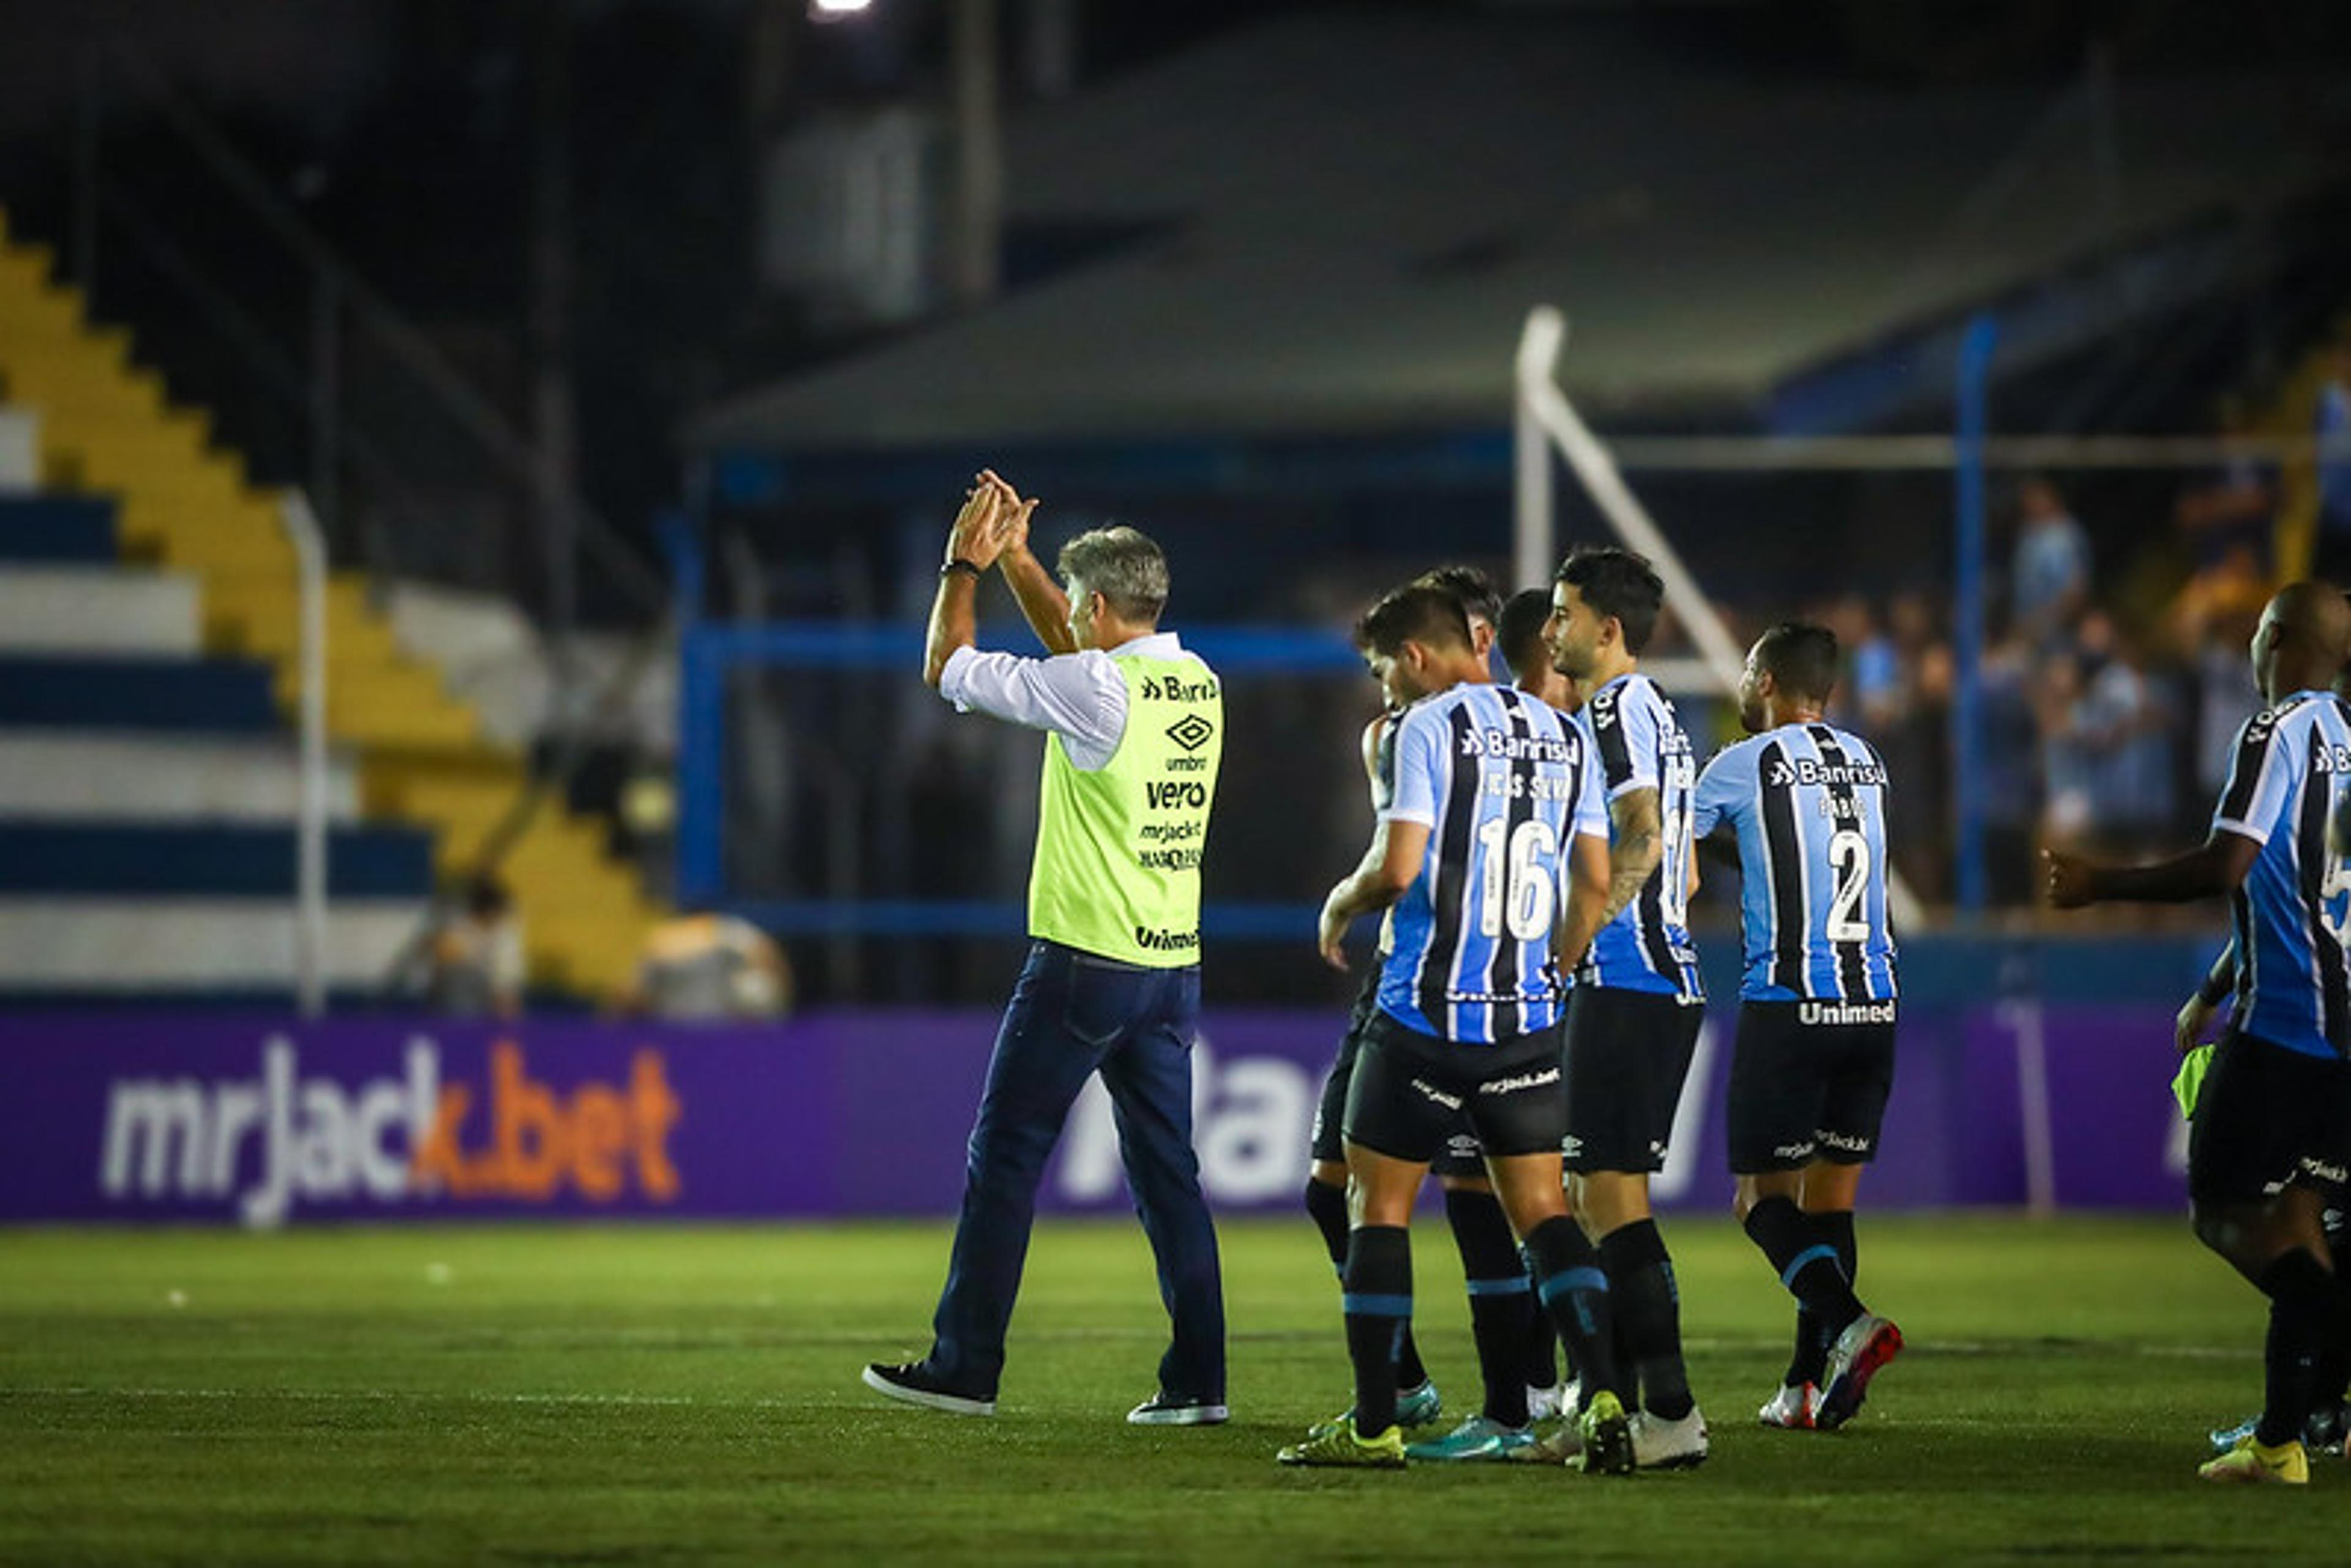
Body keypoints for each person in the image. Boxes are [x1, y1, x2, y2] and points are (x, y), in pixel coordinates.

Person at [861, 472, 1228, 1425]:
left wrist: (965, 567)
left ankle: (965, 1366)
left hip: (1084, 964)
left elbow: (945, 667)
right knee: (1169, 1177)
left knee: (1007, 1156)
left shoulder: (1097, 691)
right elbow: (1082, 656)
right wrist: (1026, 561)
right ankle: (1199, 1382)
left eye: (1072, 600)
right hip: (1169, 967)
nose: (1064, 616)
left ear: (1098, 605)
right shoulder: (1194, 681)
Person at [1278, 581, 1624, 1470]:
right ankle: (1605, 1399)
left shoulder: (1425, 729)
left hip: (1425, 1018)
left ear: (1420, 656)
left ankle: (1373, 1425)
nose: (1386, 684)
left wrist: (1338, 903)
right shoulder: (1565, 734)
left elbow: (1396, 870)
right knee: (1545, 1213)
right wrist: (1557, 962)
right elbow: (1594, 879)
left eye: (1387, 666)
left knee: (1376, 1207)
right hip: (1524, 1025)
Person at [2045, 580, 2351, 1485]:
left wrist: (2102, 884)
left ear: (2280, 640)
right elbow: (2305, 891)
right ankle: (2287, 1437)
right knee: (2303, 1221)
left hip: (2288, 1027)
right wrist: (2214, 983)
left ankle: (2308, 1402)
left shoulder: (2277, 731)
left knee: (2225, 1212)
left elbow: (2228, 864)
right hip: (2339, 1027)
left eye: (2258, 631)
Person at [1689, 622, 1905, 1433]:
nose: (1742, 685)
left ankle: (1851, 1323)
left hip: (1790, 1003)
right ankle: (1805, 1387)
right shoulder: (1867, 761)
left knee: (1758, 1201)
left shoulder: (1742, 763)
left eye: (1748, 670)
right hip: (1875, 1006)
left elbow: (1665, 829)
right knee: (1830, 1205)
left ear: (1769, 679)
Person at [1542, 544, 1711, 1470]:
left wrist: (1578, 943)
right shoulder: (1659, 715)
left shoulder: (1611, 710)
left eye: (1563, 614)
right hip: (1656, 976)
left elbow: (1645, 838)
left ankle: (1672, 1414)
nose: (1551, 630)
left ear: (1606, 630)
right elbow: (1681, 868)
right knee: (1587, 1193)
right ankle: (1601, 1401)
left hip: (1627, 982)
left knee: (1607, 1199)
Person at [624, 908, 792, 1020]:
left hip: (722, 1032)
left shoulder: (733, 932)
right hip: (675, 1035)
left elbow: (766, 955)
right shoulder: (661, 940)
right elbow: (630, 996)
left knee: (757, 988)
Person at [421, 873, 525, 1018]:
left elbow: (506, 977)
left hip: (491, 992)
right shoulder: (462, 924)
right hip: (459, 992)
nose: (491, 919)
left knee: (505, 994)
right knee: (461, 977)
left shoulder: (506, 932)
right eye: (486, 915)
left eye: (495, 914)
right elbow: (440, 953)